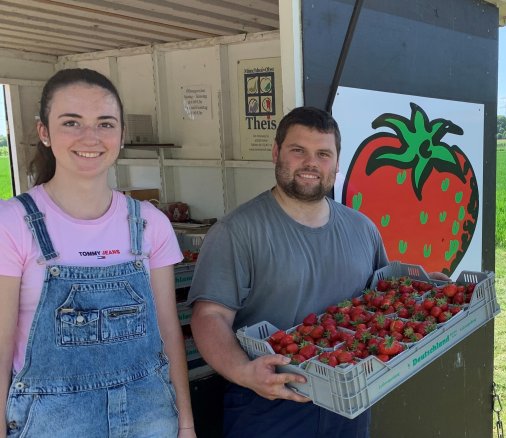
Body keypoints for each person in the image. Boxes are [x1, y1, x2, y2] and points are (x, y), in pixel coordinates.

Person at [0, 68, 195, 436]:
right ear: (44, 132)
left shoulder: (149, 223)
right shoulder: (11, 224)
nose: (90, 137)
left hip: (150, 417)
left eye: (105, 123)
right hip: (50, 424)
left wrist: (185, 423)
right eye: (71, 122)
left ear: (121, 135)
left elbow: (169, 334)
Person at [188, 106, 388, 437]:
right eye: (298, 151)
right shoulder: (237, 231)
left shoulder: (362, 228)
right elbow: (209, 316)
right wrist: (244, 372)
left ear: (337, 163)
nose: (311, 163)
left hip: (349, 401)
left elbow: (384, 301)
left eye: (323, 154)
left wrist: (430, 289)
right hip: (269, 402)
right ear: (277, 153)